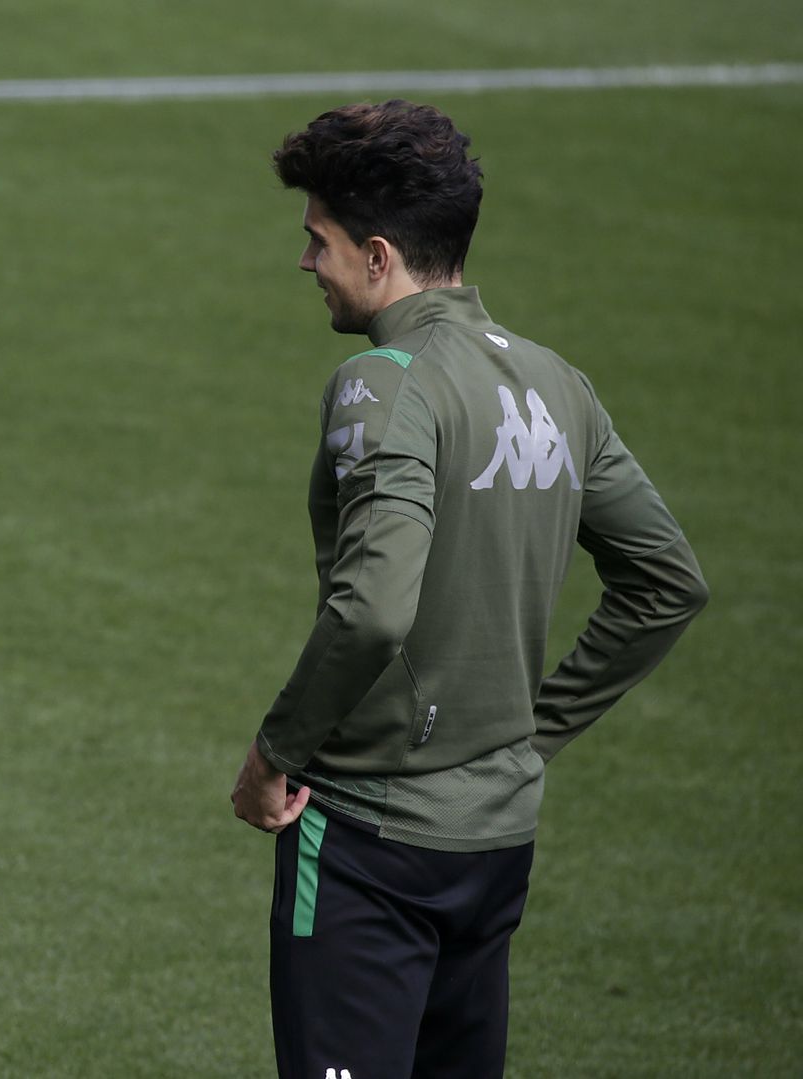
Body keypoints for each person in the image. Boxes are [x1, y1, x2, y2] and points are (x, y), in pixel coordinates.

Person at [229, 100, 707, 1078]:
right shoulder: (555, 384)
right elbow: (666, 581)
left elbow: (371, 606)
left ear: (375, 254)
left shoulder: (384, 382)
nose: (304, 264)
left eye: (314, 242)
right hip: (493, 845)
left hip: (368, 843)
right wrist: (529, 734)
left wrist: (273, 752)